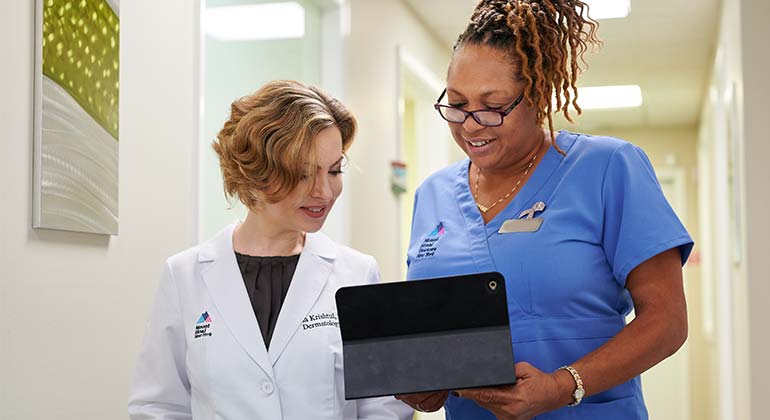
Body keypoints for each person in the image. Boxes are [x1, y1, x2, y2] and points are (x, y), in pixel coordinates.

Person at [396, 1, 693, 419]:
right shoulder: (433, 194)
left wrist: (562, 386)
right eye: (457, 104)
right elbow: (435, 329)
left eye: (492, 105)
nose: (470, 124)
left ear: (538, 94)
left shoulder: (608, 169)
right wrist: (424, 381)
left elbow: (667, 322)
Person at [128, 80, 412, 420]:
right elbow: (158, 406)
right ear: (257, 173)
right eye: (304, 173)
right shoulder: (185, 276)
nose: (325, 190)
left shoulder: (357, 274)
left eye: (334, 171)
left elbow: (381, 406)